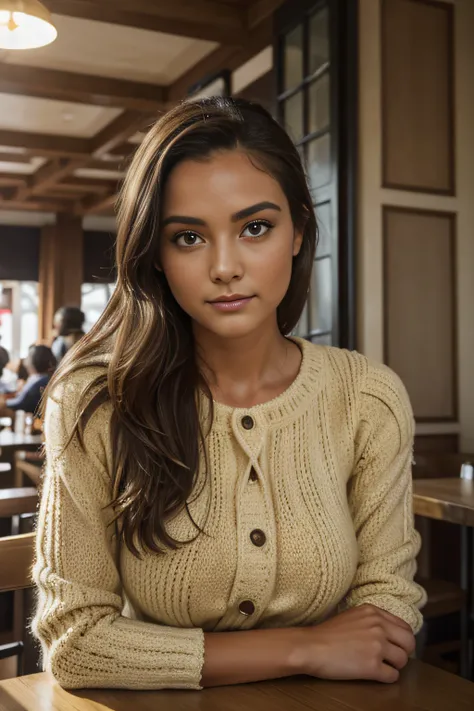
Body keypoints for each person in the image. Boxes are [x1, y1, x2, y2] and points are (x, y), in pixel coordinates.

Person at [32, 98, 425, 692]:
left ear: (297, 231)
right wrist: (303, 647)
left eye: (255, 228)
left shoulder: (368, 398)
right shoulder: (94, 401)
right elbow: (76, 643)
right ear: (156, 258)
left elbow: (387, 608)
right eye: (188, 237)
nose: (224, 267)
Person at [4, 345, 56, 414]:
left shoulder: (41, 381)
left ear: (37, 358)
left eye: (29, 355)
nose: (26, 358)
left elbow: (21, 403)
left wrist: (4, 403)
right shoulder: (36, 378)